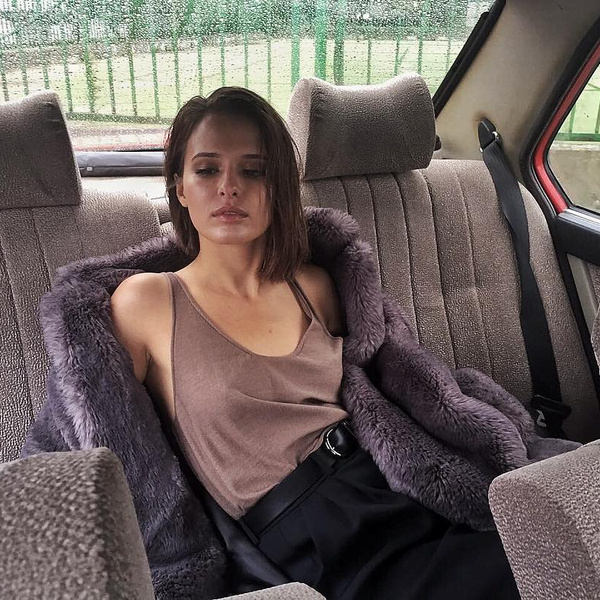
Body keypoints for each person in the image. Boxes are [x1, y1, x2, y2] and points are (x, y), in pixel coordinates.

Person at [109, 87, 520, 599]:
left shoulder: (316, 285)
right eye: (207, 169)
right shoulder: (145, 302)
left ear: (278, 187)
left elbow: (391, 384)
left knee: (536, 556)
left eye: (254, 171)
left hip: (389, 484)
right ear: (180, 187)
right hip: (304, 533)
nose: (229, 187)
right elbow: (108, 437)